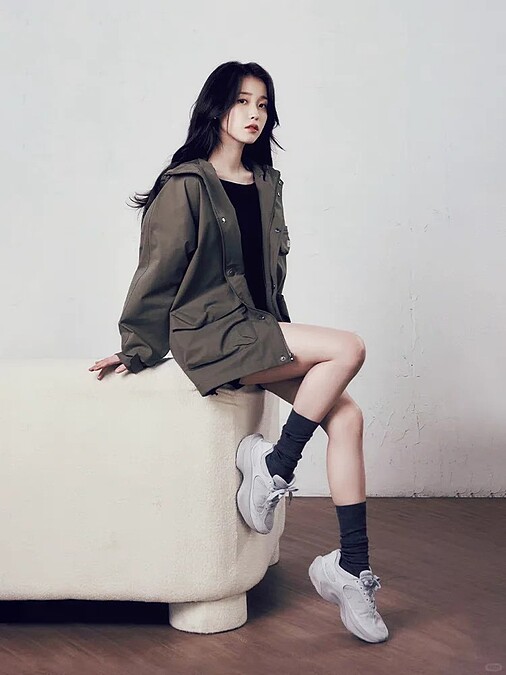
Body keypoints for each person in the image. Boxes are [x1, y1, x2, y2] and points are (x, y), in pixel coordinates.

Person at [88, 61, 388, 643]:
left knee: (348, 417)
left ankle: (352, 567)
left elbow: (266, 277)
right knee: (347, 347)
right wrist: (136, 348)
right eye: (242, 101)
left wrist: (282, 336)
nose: (254, 114)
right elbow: (156, 273)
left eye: (263, 104)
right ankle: (277, 466)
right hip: (213, 335)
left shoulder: (268, 183)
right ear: (216, 108)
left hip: (257, 330)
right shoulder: (185, 185)